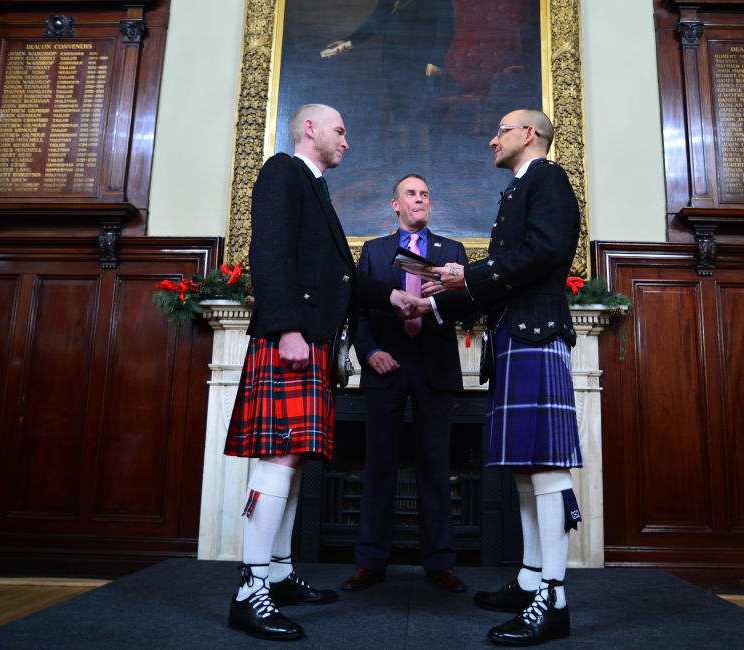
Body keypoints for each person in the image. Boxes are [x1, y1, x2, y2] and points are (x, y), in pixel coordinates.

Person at [224, 103, 410, 642]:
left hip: (312, 341)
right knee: (278, 455)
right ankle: (249, 590)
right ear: (310, 129)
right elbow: (271, 252)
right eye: (341, 131)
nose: (347, 142)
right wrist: (286, 327)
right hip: (293, 338)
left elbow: (341, 277)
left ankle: (278, 576)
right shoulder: (283, 171)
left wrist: (392, 294)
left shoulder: (316, 190)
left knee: (295, 460)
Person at [401, 109, 583, 645]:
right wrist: (451, 290)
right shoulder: (518, 190)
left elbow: (546, 252)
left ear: (529, 134)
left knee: (546, 467)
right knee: (528, 470)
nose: (491, 139)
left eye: (500, 130)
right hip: (515, 331)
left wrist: (468, 274)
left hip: (534, 332)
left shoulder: (548, 178)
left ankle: (554, 598)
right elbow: (513, 268)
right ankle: (531, 581)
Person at [340, 174, 469, 594]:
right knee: (378, 467)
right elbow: (357, 309)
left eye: (425, 194)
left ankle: (440, 564)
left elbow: (468, 310)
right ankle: (370, 562)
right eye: (411, 194)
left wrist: (444, 295)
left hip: (434, 365)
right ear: (394, 204)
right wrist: (369, 351)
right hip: (386, 365)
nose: (420, 200)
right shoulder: (374, 252)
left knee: (435, 468)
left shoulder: (452, 253)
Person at [323, 0, 454, 170]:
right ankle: (404, 170)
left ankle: (425, 171)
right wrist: (347, 43)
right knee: (400, 114)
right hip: (393, 62)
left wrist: (436, 60)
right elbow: (376, 21)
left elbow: (446, 28)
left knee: (421, 117)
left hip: (422, 63)